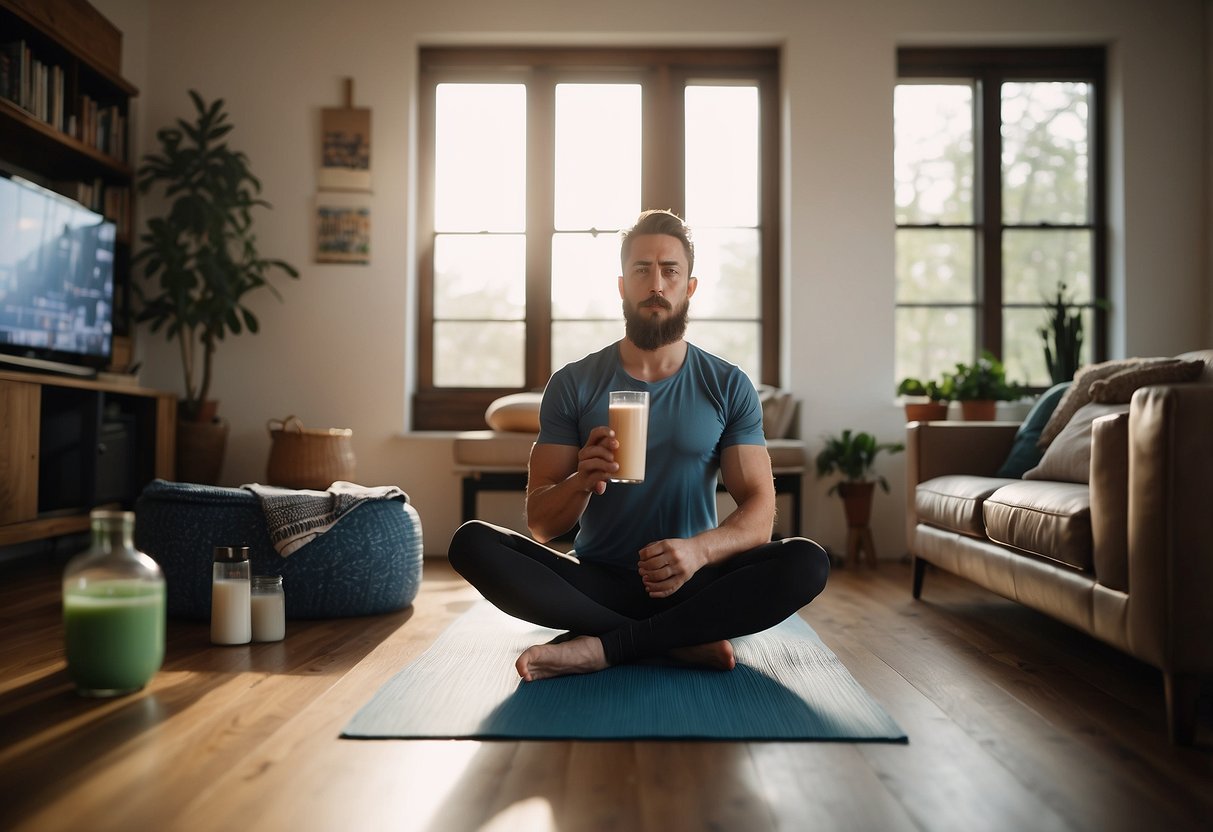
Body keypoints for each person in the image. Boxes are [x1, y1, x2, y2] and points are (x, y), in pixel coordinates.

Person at [447, 209, 830, 681]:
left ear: (689, 287)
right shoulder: (573, 383)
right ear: (622, 285)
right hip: (596, 581)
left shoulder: (728, 385)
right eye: (641, 270)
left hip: (694, 581)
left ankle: (605, 646)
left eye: (670, 271)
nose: (656, 284)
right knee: (471, 543)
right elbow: (542, 524)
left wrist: (699, 552)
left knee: (807, 561)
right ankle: (677, 641)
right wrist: (582, 482)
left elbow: (759, 506)